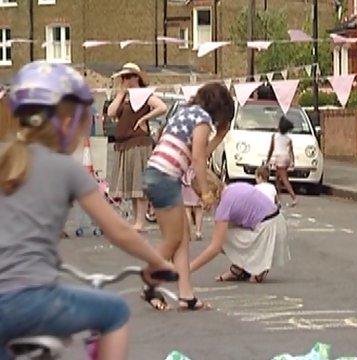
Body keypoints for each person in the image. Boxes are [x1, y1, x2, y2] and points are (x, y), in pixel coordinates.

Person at [0, 61, 175, 360]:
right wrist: (157, 262)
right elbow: (118, 229)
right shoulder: (66, 168)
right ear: (67, 123)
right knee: (115, 312)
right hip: (32, 299)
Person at [143, 82, 234, 311]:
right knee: (173, 240)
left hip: (158, 174)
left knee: (182, 238)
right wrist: (204, 192)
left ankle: (186, 295)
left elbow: (198, 152)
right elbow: (198, 160)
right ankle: (149, 282)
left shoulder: (186, 113)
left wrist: (220, 136)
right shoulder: (202, 119)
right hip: (166, 176)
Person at [190, 176, 290, 284]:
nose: (200, 201)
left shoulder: (224, 205)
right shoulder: (232, 189)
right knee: (225, 230)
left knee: (222, 237)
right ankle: (243, 267)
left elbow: (215, 247)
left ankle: (253, 266)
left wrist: (188, 269)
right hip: (276, 223)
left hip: (268, 228)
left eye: (200, 196)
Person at [107, 63, 167, 232]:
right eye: (123, 77)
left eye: (128, 77)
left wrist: (144, 119)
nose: (124, 80)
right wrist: (121, 93)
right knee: (132, 186)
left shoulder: (144, 94)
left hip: (138, 143)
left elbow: (162, 107)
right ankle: (136, 221)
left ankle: (141, 221)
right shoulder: (124, 96)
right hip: (124, 143)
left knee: (140, 185)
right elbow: (111, 112)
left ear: (136, 77)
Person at [267, 116, 296, 206]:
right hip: (286, 158)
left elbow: (271, 149)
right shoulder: (288, 139)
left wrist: (268, 159)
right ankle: (278, 198)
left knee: (284, 179)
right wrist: (292, 161)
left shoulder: (275, 136)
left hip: (279, 158)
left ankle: (294, 197)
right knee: (277, 178)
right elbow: (291, 151)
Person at [182, 167, 204, 241]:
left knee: (187, 209)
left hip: (184, 182)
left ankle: (188, 234)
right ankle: (198, 232)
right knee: (199, 208)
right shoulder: (198, 157)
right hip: (196, 181)